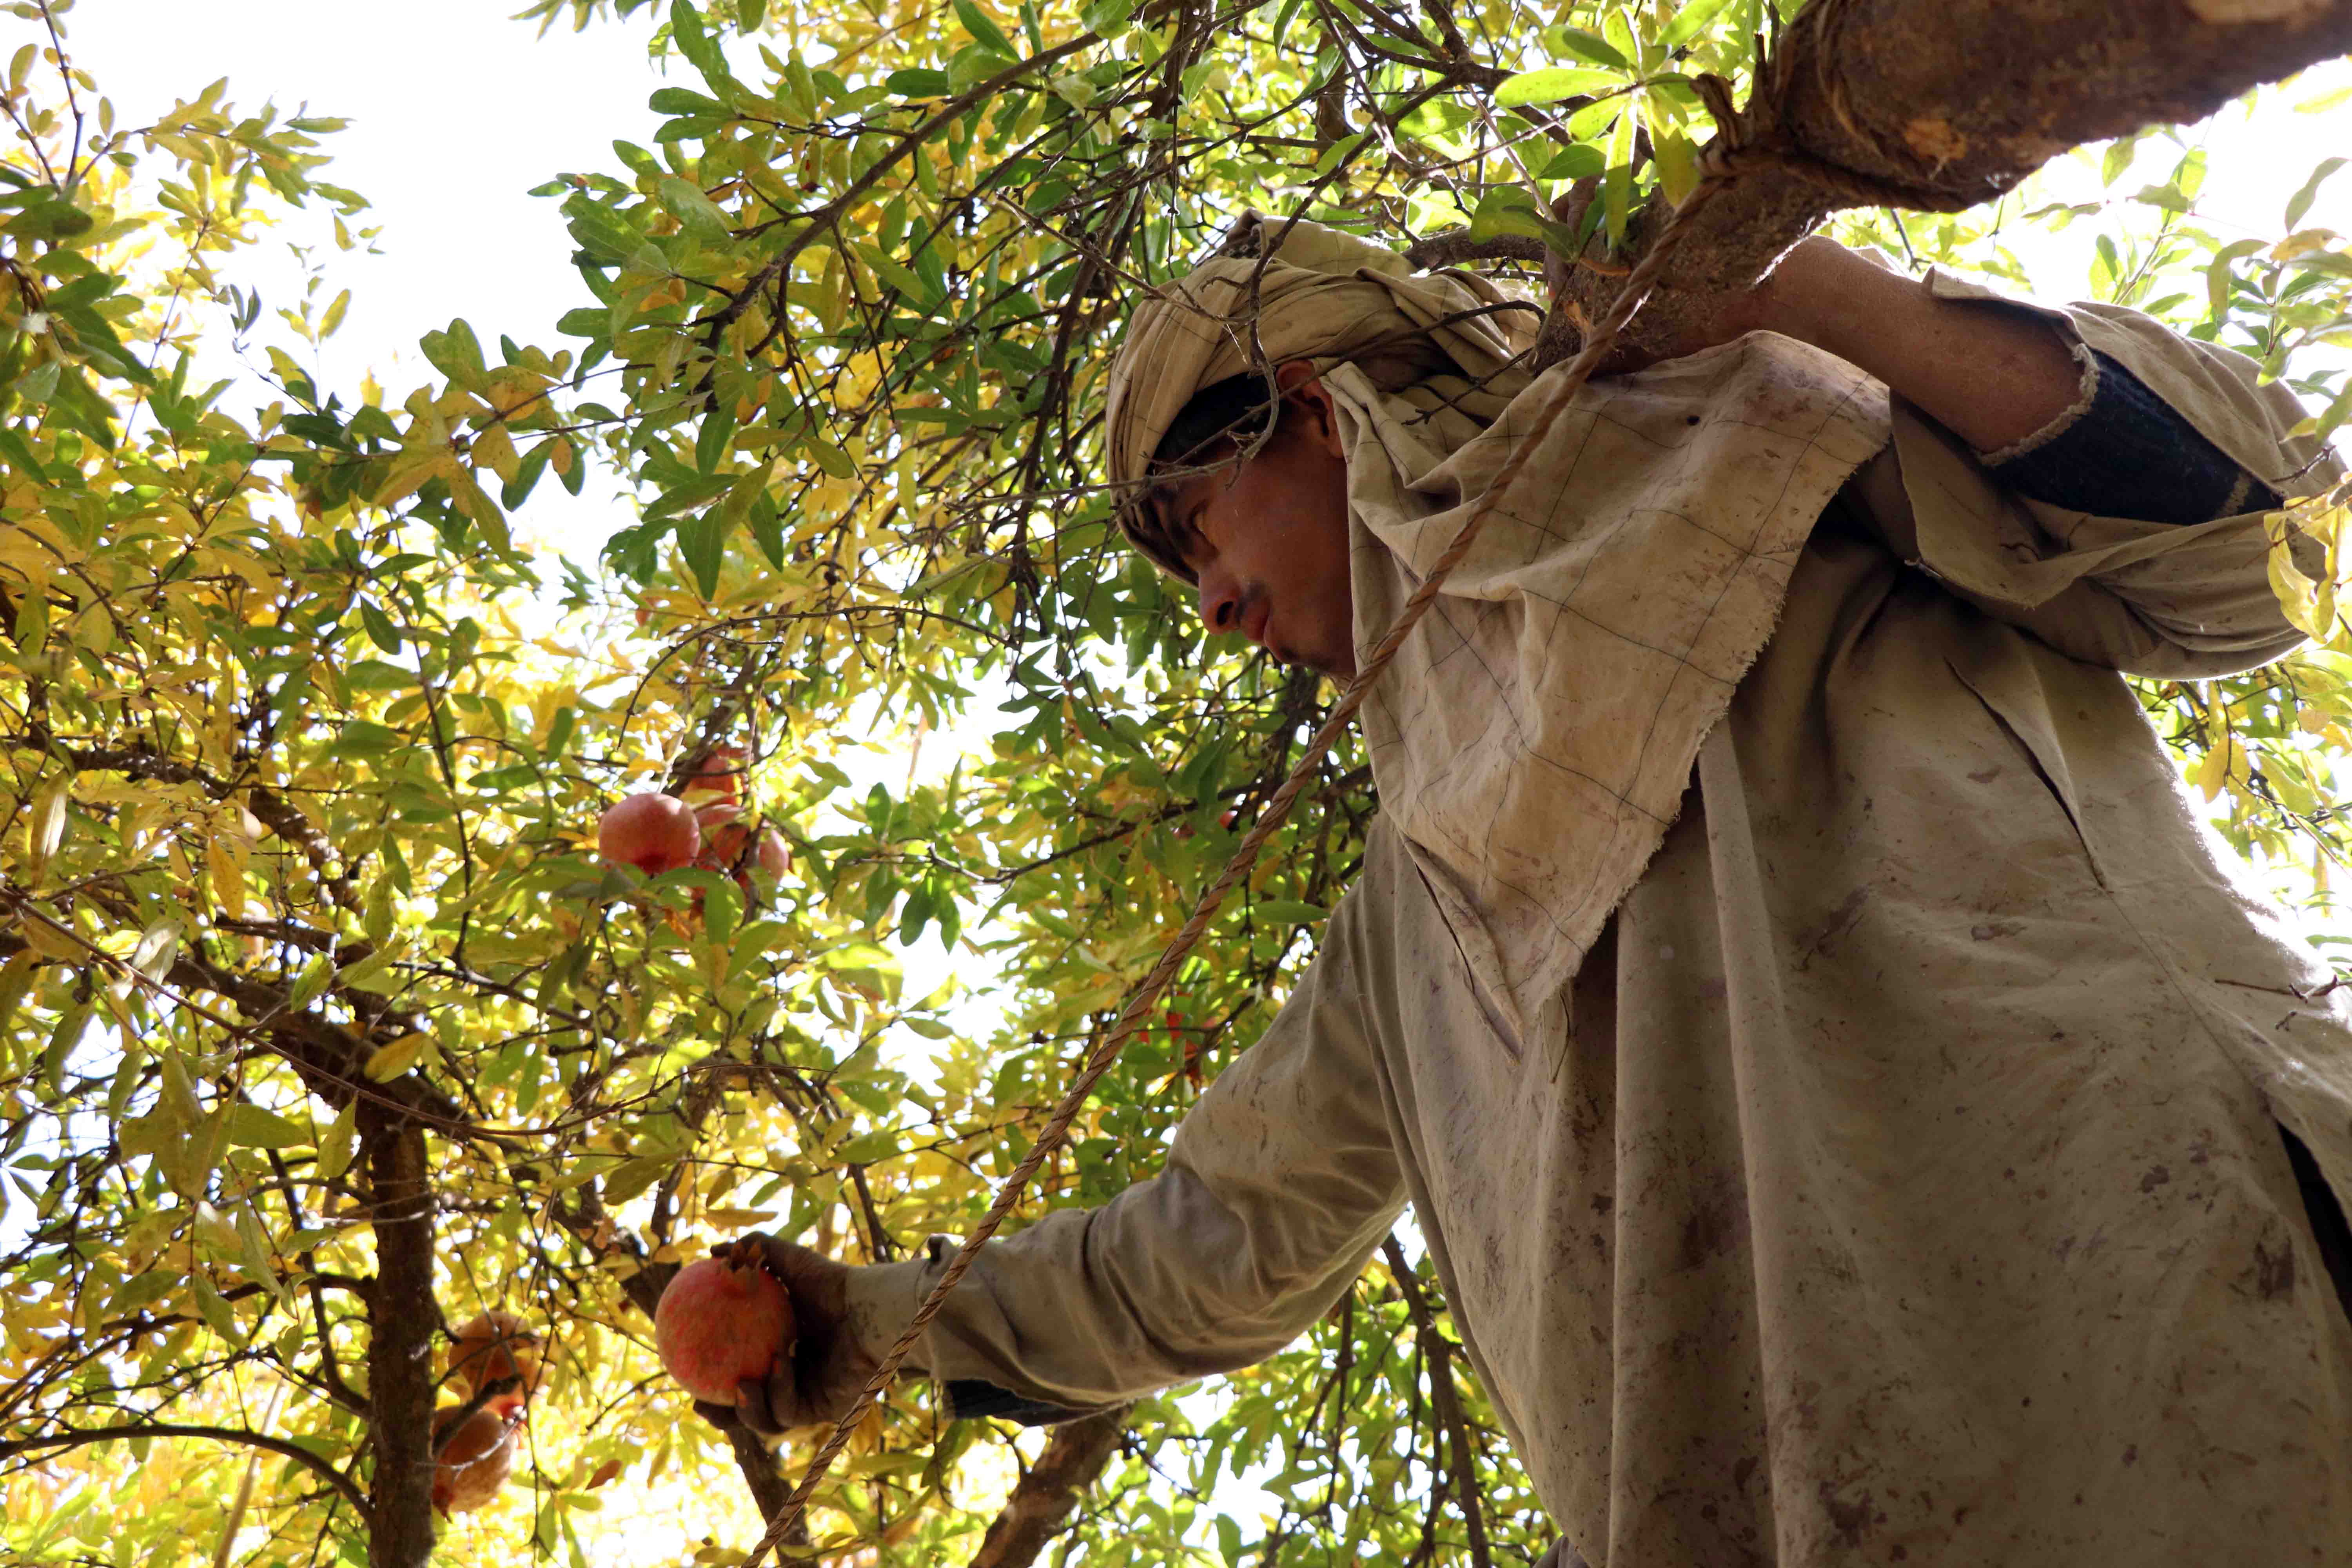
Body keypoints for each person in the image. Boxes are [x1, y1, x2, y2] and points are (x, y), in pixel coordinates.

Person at [706, 215, 2352, 1564]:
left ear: (1316, 407)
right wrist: (865, 1324)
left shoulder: (1768, 463)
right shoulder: (1410, 924)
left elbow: (2261, 547)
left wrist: (1820, 299)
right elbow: (1207, 1247)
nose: (1209, 604)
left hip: (2198, 1328)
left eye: (1199, 527)